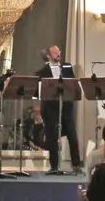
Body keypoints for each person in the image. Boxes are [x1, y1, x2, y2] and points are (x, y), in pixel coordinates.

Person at [35, 44, 82, 174]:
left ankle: (76, 164)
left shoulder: (66, 67)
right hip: (51, 108)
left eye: (59, 52)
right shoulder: (43, 71)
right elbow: (39, 90)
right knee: (52, 136)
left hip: (66, 106)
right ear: (49, 56)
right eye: (55, 53)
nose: (58, 55)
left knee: (72, 134)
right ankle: (54, 166)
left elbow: (72, 83)